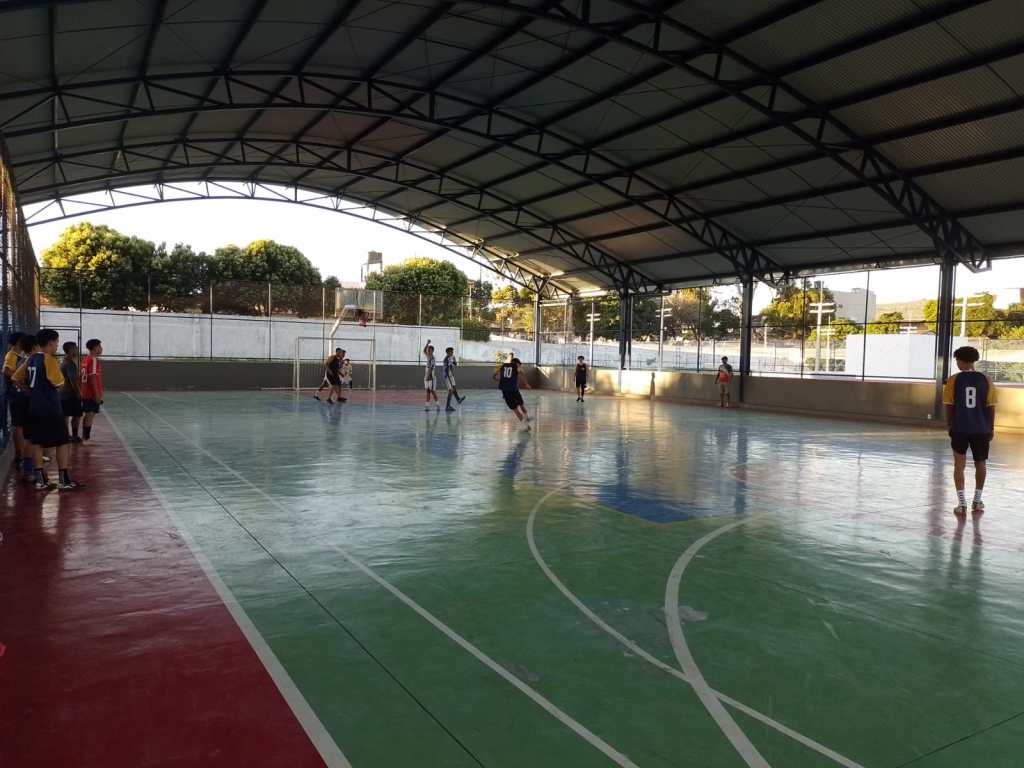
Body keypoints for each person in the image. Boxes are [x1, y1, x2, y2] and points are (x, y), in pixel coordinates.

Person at [12, 329, 83, 491]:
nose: (57, 345)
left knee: (37, 443)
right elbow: (59, 383)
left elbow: (15, 378)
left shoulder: (30, 359)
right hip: (50, 409)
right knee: (62, 442)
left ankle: (40, 481)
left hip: (34, 408)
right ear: (51, 342)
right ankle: (64, 480)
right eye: (56, 342)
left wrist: (31, 393)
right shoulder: (48, 359)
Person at [943, 346, 996, 517]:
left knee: (959, 465)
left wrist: (949, 424)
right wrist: (991, 427)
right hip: (981, 429)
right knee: (981, 463)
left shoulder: (953, 380)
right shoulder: (986, 379)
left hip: (960, 428)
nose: (957, 363)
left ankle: (961, 503)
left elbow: (949, 405)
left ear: (961, 360)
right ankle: (977, 501)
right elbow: (991, 406)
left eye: (957, 360)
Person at [3, 332, 27, 472]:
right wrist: (19, 381)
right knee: (18, 425)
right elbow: (7, 371)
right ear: (18, 342)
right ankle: (19, 454)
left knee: (22, 425)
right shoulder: (11, 355)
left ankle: (23, 453)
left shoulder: (20, 355)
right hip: (16, 394)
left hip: (20, 394)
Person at [494, 356, 531, 431]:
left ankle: (526, 426)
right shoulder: (516, 366)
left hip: (505, 391)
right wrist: (526, 384)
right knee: (521, 404)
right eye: (519, 364)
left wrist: (496, 378)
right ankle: (526, 417)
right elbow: (521, 373)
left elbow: (494, 375)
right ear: (516, 363)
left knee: (515, 410)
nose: (520, 366)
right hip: (514, 389)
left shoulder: (503, 365)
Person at [80, 338, 104, 442]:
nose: (101, 348)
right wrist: (96, 394)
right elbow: (92, 377)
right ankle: (86, 438)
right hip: (91, 393)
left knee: (87, 415)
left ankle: (84, 437)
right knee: (90, 415)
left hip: (85, 392)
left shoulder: (86, 359)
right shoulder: (93, 360)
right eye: (99, 346)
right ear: (94, 348)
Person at [60, 341, 84, 443]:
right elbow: (73, 380)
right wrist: (78, 392)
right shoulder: (70, 363)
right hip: (70, 394)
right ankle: (73, 436)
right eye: (75, 348)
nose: (77, 350)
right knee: (76, 415)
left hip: (63, 393)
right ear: (70, 350)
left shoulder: (64, 361)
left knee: (66, 415)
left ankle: (66, 436)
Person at [443, 347, 465, 412]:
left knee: (454, 388)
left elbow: (455, 364)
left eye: (452, 352)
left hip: (451, 375)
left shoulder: (452, 357)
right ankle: (447, 406)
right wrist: (449, 379)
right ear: (447, 352)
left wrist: (454, 361)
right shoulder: (446, 359)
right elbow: (446, 370)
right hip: (447, 376)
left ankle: (458, 399)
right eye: (451, 352)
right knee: (450, 391)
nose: (452, 353)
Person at [423, 340, 439, 411]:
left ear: (432, 351)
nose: (428, 351)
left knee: (432, 391)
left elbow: (431, 368)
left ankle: (437, 405)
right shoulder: (428, 357)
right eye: (428, 350)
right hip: (426, 376)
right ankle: (427, 406)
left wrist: (427, 376)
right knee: (427, 391)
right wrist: (427, 343)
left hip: (431, 377)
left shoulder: (432, 359)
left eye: (430, 350)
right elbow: (424, 351)